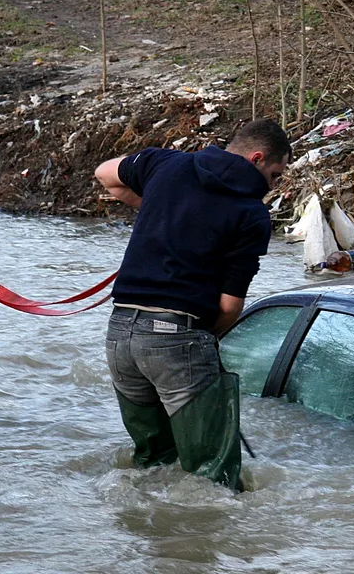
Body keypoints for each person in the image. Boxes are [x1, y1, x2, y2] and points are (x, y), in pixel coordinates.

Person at [94, 119, 291, 491]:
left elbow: (105, 175)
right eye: (275, 175)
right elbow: (230, 307)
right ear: (257, 157)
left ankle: (148, 543)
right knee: (214, 481)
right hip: (177, 336)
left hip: (119, 336)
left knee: (153, 464)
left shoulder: (165, 164)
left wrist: (158, 203)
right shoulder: (251, 213)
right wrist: (204, 338)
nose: (273, 186)